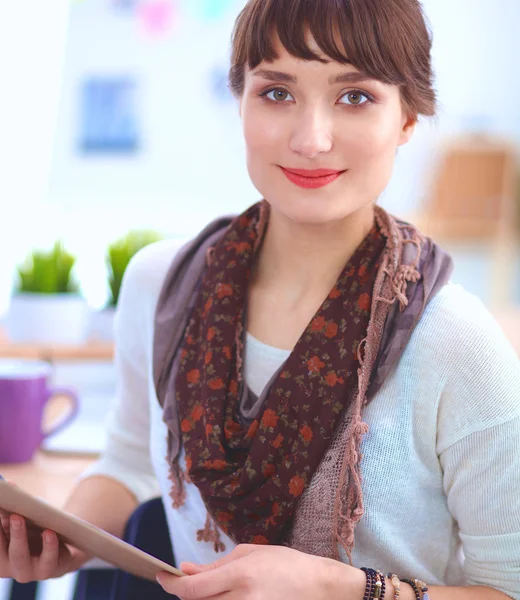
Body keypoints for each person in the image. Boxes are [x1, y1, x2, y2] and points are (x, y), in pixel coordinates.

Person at [2, 0, 519, 598]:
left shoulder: (454, 341)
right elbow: (129, 463)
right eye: (277, 92)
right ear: (241, 98)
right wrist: (60, 538)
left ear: (407, 119)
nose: (311, 139)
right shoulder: (161, 285)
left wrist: (342, 589)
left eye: (355, 97)